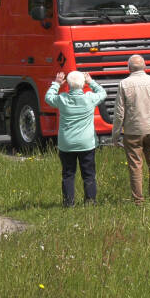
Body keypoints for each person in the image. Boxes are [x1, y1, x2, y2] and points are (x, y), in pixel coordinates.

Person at [111, 54, 150, 204]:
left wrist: (115, 135)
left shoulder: (124, 84)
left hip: (133, 131)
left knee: (135, 166)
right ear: (145, 66)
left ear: (128, 68)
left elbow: (119, 113)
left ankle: (138, 201)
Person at [44, 70, 107, 206]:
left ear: (68, 84)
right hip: (86, 143)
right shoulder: (89, 98)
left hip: (67, 143)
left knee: (68, 174)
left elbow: (48, 98)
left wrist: (56, 83)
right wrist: (91, 82)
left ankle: (68, 202)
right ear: (83, 84)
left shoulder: (62, 99)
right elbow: (103, 93)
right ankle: (90, 201)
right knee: (88, 174)